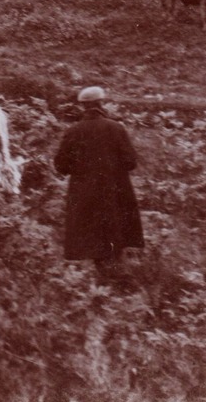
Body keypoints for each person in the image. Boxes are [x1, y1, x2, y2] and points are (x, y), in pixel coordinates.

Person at [53, 86, 144, 279]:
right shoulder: (116, 128)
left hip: (85, 196)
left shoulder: (73, 131)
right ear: (102, 104)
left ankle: (105, 280)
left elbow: (61, 166)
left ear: (83, 107)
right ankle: (117, 279)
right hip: (115, 192)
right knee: (115, 234)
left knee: (94, 238)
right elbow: (131, 162)